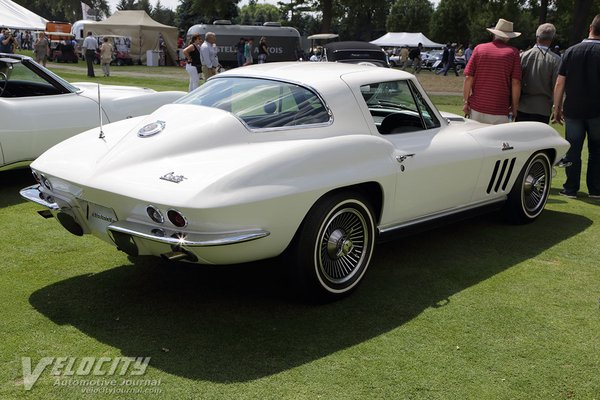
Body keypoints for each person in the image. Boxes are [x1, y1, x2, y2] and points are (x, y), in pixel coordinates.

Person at [552, 14, 600, 199]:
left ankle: (570, 188)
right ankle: (595, 189)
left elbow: (559, 83)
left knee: (573, 150)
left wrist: (556, 107)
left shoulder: (571, 51)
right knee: (597, 151)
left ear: (590, 27)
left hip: (573, 109)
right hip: (597, 111)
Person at [463, 18, 522, 124]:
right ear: (508, 37)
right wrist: (514, 107)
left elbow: (468, 78)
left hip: (477, 107)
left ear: (494, 34)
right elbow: (516, 82)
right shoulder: (513, 53)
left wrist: (466, 102)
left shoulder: (479, 49)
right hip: (500, 109)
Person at [516, 23, 561, 123]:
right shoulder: (556, 60)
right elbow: (556, 86)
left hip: (523, 106)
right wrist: (557, 107)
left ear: (537, 37)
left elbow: (516, 82)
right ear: (552, 38)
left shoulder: (523, 56)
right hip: (543, 108)